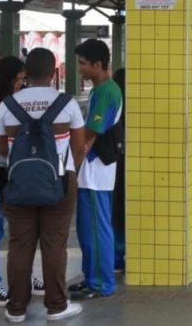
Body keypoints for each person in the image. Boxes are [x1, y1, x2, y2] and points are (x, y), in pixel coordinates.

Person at [0, 48, 85, 323]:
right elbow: (79, 147)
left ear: (26, 72)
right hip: (59, 181)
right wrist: (69, 173)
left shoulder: (7, 105)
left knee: (20, 245)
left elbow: (0, 148)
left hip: (18, 183)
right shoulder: (66, 104)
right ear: (52, 73)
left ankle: (16, 309)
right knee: (54, 245)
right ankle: (56, 306)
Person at [0, 56, 46, 306]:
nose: (20, 84)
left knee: (22, 226)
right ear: (6, 77)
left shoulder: (13, 100)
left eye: (23, 80)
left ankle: (27, 276)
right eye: (17, 80)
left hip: (12, 168)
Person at [68, 39, 122, 301]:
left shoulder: (105, 92)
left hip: (96, 170)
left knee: (97, 229)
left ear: (98, 65)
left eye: (82, 64)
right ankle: (91, 277)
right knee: (87, 229)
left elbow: (92, 131)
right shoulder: (100, 90)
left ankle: (101, 283)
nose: (79, 68)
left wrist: (74, 158)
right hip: (93, 171)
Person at [111, 68, 126, 273]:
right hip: (137, 165)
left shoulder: (114, 106)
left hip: (115, 164)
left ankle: (116, 257)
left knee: (116, 209)